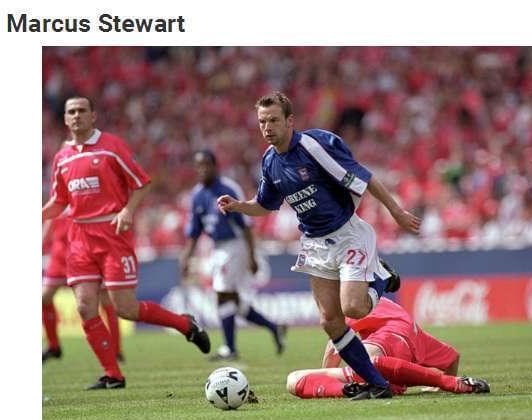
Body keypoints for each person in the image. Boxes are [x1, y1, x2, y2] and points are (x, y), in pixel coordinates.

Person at [217, 91, 421, 400]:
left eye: (273, 120)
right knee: (330, 321)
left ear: (290, 121)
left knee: (353, 307)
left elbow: (363, 178)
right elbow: (264, 205)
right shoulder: (270, 162)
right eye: (262, 122)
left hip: (348, 234)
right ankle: (377, 384)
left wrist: (396, 211)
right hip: (314, 244)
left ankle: (381, 278)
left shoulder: (314, 146)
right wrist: (237, 206)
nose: (267, 127)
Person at [41, 96, 211, 390]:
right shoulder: (62, 157)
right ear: (66, 119)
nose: (76, 115)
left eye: (82, 110)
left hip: (112, 234)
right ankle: (113, 374)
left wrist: (127, 210)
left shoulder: (111, 147)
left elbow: (141, 182)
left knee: (125, 309)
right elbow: (59, 201)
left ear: (93, 115)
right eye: (71, 112)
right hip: (79, 238)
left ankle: (185, 325)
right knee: (84, 306)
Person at [180, 149, 287, 360]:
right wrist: (186, 257)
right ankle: (273, 327)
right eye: (199, 166)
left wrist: (252, 256)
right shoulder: (197, 195)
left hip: (235, 244)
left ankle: (230, 348)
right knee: (232, 299)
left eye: (206, 165)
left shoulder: (228, 188)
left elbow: (246, 225)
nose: (202, 169)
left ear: (215, 166)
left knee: (222, 293)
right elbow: (194, 232)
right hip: (217, 247)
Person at [286, 297, 490, 398]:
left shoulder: (360, 304)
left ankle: (350, 388)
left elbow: (334, 345)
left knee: (294, 380)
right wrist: (437, 385)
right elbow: (452, 357)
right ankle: (356, 389)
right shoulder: (413, 328)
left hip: (380, 354)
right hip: (396, 378)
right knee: (294, 379)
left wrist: (327, 373)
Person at [42, 213, 124, 363]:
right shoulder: (58, 200)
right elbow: (50, 219)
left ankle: (116, 349)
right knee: (44, 297)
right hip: (59, 256)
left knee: (106, 301)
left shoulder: (83, 200)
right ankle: (54, 346)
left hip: (83, 253)